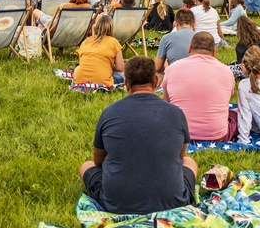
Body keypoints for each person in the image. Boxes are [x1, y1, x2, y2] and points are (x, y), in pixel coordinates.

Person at [79, 56, 195, 214]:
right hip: (172, 202)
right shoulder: (176, 112)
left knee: (86, 166)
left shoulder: (109, 113)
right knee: (190, 162)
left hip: (116, 203)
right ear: (156, 81)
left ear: (126, 83)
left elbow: (98, 161)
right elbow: (181, 156)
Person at [162, 32, 235, 142]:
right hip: (217, 135)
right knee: (235, 115)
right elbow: (227, 98)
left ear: (190, 48)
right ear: (214, 52)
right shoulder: (226, 71)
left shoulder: (172, 68)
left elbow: (166, 102)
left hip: (179, 133)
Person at [73, 15, 125, 87]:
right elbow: (120, 68)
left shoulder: (86, 41)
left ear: (96, 27)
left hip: (79, 79)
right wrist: (108, 65)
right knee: (123, 75)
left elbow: (81, 62)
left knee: (77, 69)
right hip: (102, 80)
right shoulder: (114, 42)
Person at [155, 8, 196, 74]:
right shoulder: (201, 38)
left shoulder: (167, 38)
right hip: (196, 76)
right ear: (194, 24)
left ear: (176, 23)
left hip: (174, 76)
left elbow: (157, 67)